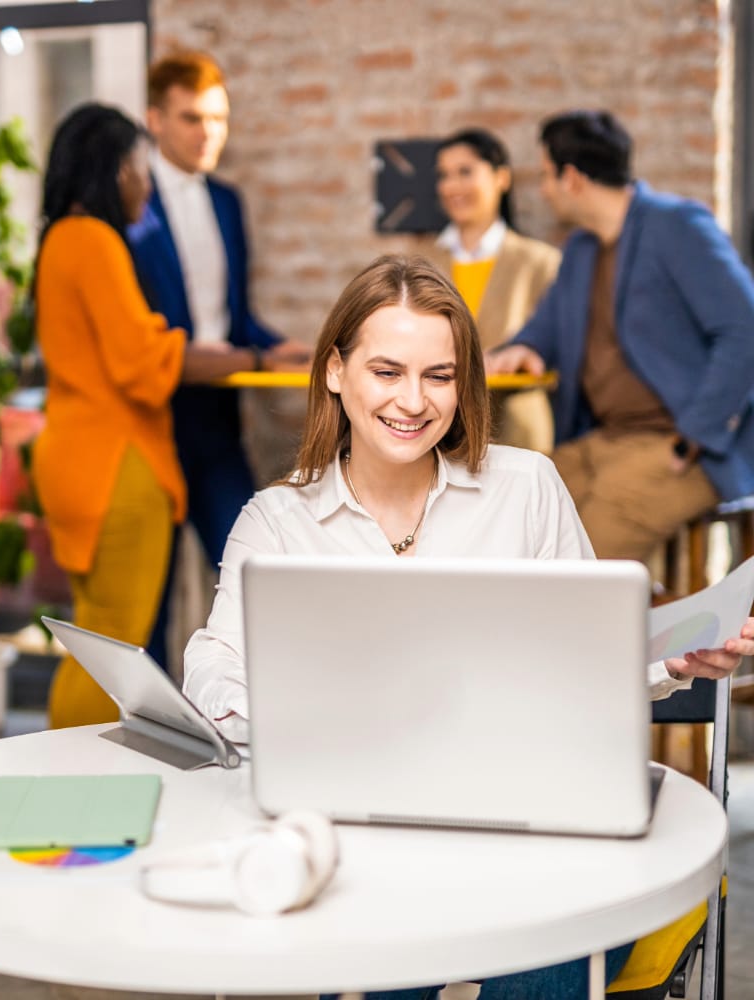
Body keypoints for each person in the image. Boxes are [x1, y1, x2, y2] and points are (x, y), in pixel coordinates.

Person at [182, 254, 754, 1000]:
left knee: (550, 936)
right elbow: (212, 668)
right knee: (381, 939)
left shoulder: (524, 488)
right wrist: (316, 722)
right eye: (386, 371)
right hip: (371, 842)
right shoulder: (278, 523)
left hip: (541, 834)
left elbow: (591, 659)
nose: (413, 402)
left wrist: (672, 661)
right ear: (334, 372)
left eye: (439, 376)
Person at [31, 104, 274, 729]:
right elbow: (141, 361)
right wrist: (239, 357)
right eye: (140, 169)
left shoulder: (61, 238)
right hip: (117, 467)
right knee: (112, 645)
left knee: (95, 637)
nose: (146, 184)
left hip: (77, 459)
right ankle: (65, 785)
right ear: (116, 173)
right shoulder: (94, 240)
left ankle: (72, 782)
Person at [485, 109, 754, 561]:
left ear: (572, 178)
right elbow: (545, 326)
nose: (545, 191)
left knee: (584, 559)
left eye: (548, 177)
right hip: (602, 439)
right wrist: (523, 347)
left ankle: (603, 626)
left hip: (678, 445)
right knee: (517, 510)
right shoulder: (580, 248)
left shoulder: (678, 225)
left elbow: (744, 329)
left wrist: (695, 436)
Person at [128, 50, 312, 668]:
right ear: (154, 119)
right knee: (145, 601)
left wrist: (273, 344)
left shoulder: (228, 202)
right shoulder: (129, 203)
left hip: (216, 417)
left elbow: (230, 315)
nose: (208, 133)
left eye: (218, 119)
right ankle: (144, 739)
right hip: (147, 414)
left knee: (247, 572)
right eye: (190, 118)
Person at [430, 127, 561, 452]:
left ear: (502, 178)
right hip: (437, 432)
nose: (451, 185)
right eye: (444, 175)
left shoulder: (541, 263)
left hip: (517, 432)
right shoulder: (422, 263)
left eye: (465, 172)